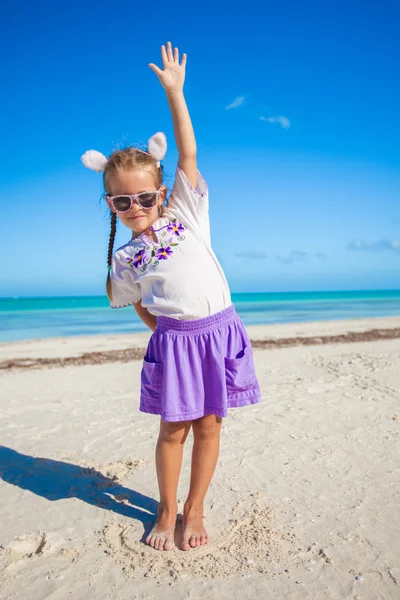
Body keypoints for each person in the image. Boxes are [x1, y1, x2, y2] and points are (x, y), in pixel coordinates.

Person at [81, 42, 261, 552]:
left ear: (161, 193)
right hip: (176, 343)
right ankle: (165, 508)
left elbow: (188, 152)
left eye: (143, 196)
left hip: (221, 329)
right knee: (172, 430)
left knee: (209, 426)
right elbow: (132, 299)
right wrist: (161, 332)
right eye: (121, 200)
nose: (134, 206)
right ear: (111, 204)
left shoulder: (185, 211)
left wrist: (175, 94)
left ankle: (195, 507)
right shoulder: (125, 258)